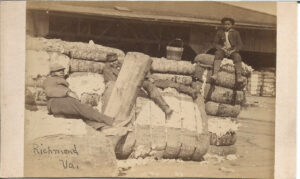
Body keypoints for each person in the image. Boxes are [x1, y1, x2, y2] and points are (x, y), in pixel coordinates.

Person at [43, 63, 130, 132]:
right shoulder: (50, 80)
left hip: (61, 103)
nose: (61, 72)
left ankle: (103, 128)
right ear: (52, 73)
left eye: (62, 70)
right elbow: (49, 90)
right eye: (58, 71)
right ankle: (112, 122)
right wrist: (68, 92)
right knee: (85, 109)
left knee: (84, 116)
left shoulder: (60, 80)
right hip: (57, 103)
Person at [103, 59, 174, 118]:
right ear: (109, 63)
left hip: (135, 80)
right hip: (126, 84)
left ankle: (166, 108)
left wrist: (148, 77)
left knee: (150, 85)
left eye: (115, 60)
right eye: (112, 62)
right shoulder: (107, 70)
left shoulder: (122, 64)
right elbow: (112, 83)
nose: (115, 63)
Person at [211, 17, 244, 84]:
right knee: (217, 54)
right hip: (222, 50)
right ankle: (215, 74)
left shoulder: (236, 33)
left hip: (232, 51)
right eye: (225, 24)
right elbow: (214, 43)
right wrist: (222, 48)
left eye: (228, 24)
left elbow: (240, 45)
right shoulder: (219, 32)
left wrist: (233, 50)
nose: (226, 26)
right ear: (223, 25)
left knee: (237, 56)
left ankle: (239, 76)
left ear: (231, 25)